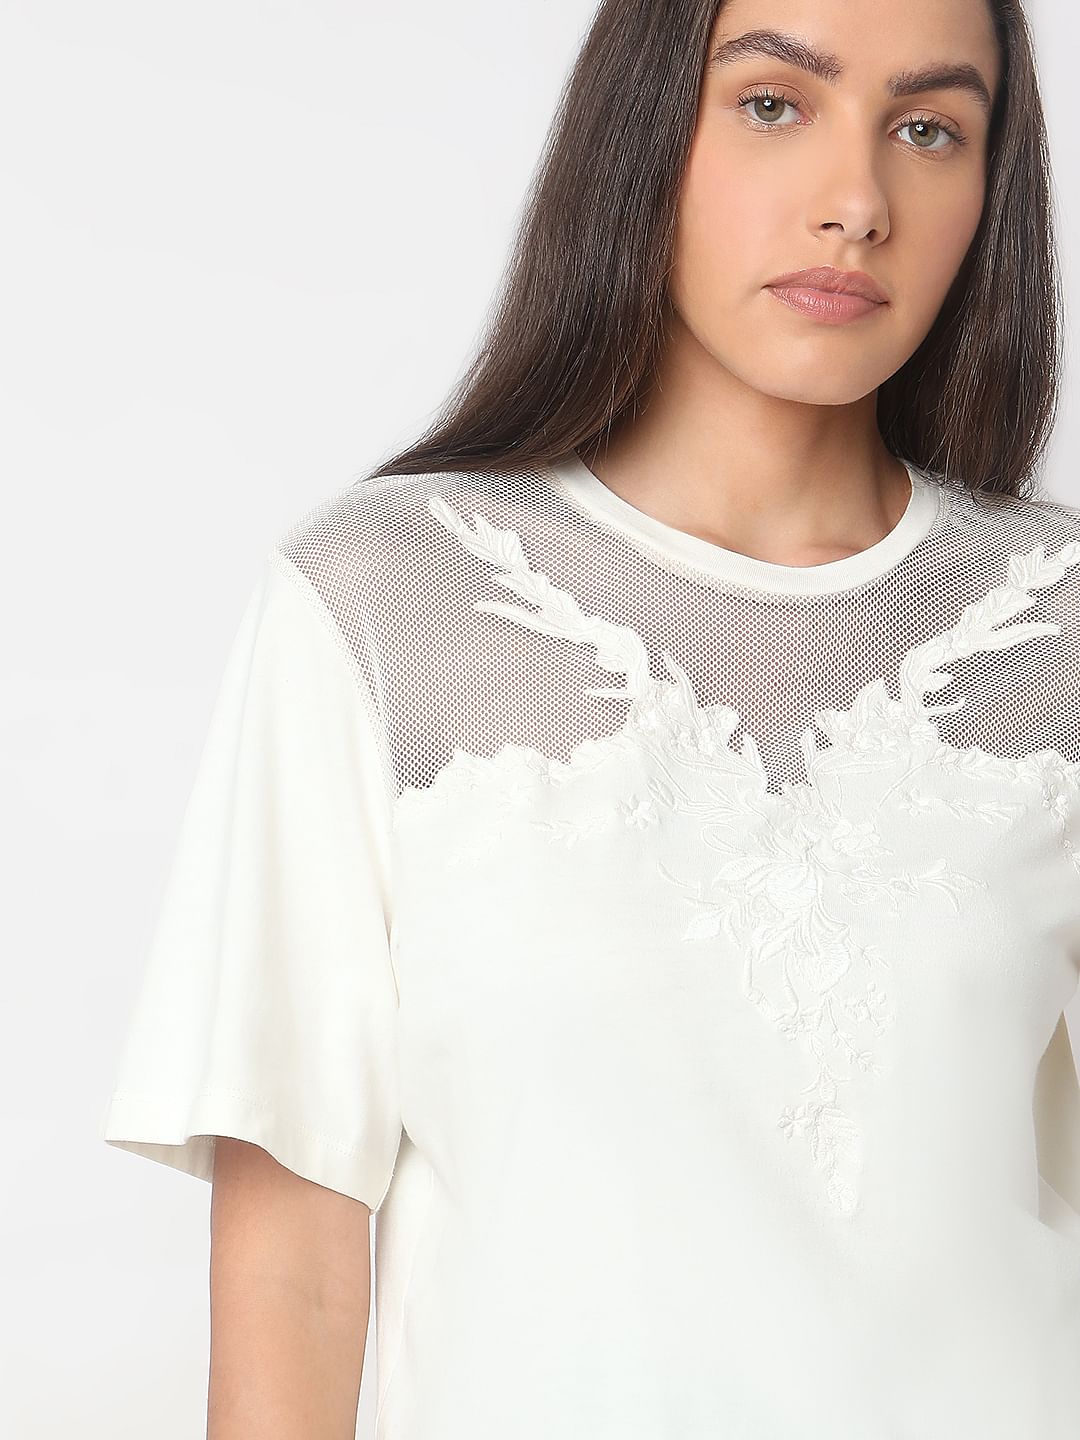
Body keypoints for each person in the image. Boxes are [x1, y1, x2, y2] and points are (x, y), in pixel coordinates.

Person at [101, 0, 1080, 1435]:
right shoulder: (390, 602)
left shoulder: (1054, 628)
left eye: (929, 129)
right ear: (644, 128)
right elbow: (294, 1269)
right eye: (773, 103)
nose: (858, 201)